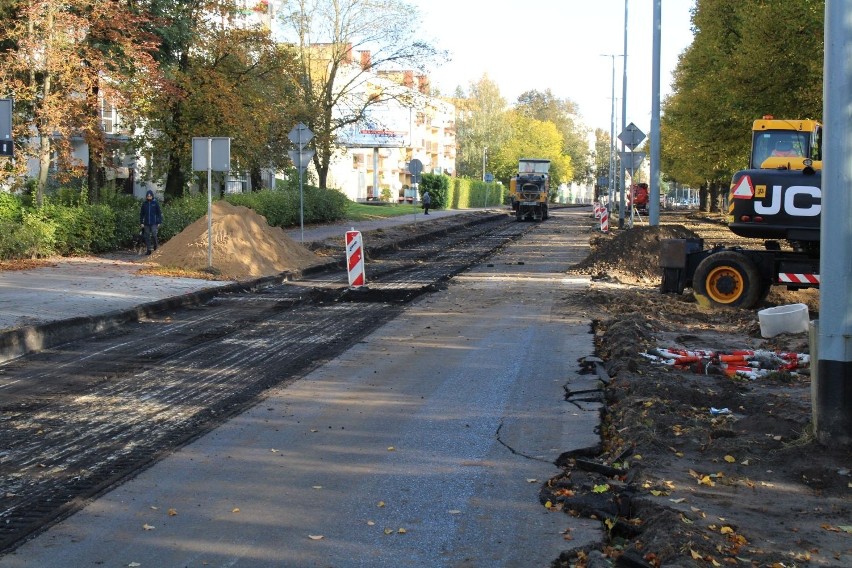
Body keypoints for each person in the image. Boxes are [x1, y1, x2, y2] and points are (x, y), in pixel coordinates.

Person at [139, 189, 163, 255]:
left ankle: (156, 247)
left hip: (154, 223)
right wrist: (141, 222)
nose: (149, 197)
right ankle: (148, 250)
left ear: (152, 196)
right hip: (146, 223)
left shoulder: (155, 203)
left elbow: (159, 213)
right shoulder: (144, 204)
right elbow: (141, 214)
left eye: (150, 196)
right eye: (148, 196)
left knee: (154, 235)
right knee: (146, 236)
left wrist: (159, 222)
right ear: (146, 196)